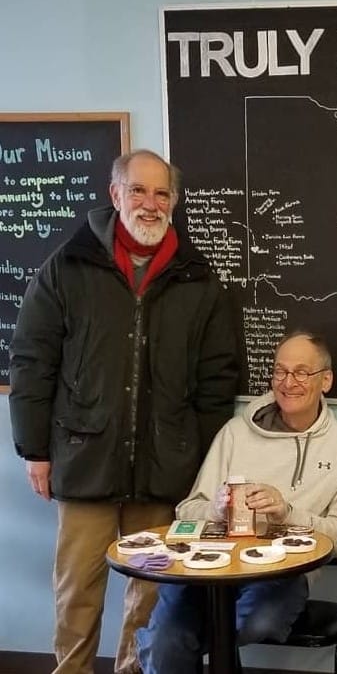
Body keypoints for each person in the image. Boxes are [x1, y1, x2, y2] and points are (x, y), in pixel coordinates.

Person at [9, 149, 241, 674]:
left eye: (162, 194)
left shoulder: (198, 281)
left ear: (175, 202)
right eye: (138, 190)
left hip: (165, 467)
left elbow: (216, 379)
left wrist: (202, 462)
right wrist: (36, 449)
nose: (150, 203)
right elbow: (32, 361)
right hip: (84, 458)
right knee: (77, 589)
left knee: (151, 593)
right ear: (115, 195)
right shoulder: (67, 267)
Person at [136, 330, 337, 674]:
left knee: (257, 624)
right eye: (279, 371)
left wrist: (288, 514)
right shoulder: (235, 433)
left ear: (326, 380)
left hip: (283, 574)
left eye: (301, 372)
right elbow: (187, 510)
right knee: (165, 640)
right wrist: (215, 509)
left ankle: (163, 644)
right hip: (210, 567)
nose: (288, 382)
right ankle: (161, 643)